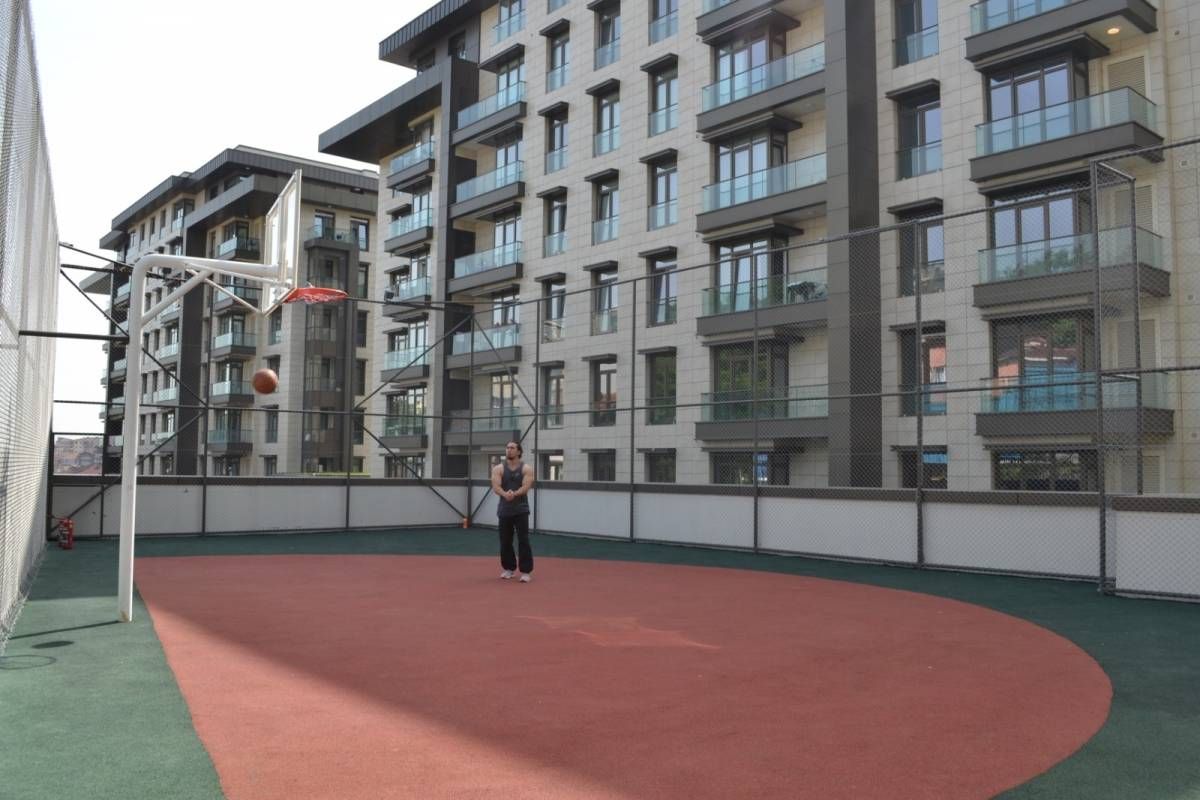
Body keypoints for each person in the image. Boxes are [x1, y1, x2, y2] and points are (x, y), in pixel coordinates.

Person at [493, 440, 535, 582]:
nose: (509, 450)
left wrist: (514, 494)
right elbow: (496, 486)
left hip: (521, 510)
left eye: (512, 448)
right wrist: (505, 494)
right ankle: (509, 569)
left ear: (519, 451)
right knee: (505, 541)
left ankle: (526, 572)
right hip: (504, 510)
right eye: (507, 447)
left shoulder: (526, 468)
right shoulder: (498, 469)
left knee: (523, 540)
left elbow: (526, 486)